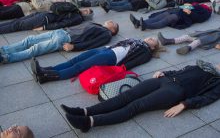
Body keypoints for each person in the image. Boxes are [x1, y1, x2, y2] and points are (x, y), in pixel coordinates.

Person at [61, 60, 220, 132]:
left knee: (136, 106)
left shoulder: (217, 82)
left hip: (176, 92)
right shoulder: (203, 64)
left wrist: (184, 104)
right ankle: (84, 111)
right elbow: (181, 71)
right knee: (127, 96)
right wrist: (165, 72)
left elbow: (207, 98)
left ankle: (89, 122)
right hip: (164, 80)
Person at [31, 37, 159, 83]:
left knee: (80, 66)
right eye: (150, 37)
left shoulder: (146, 52)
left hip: (111, 57)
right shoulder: (137, 40)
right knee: (74, 60)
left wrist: (120, 68)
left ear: (153, 47)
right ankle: (45, 70)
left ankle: (47, 76)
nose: (150, 38)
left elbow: (134, 62)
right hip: (105, 49)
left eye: (153, 40)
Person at [0, 21, 119, 64]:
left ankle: (6, 58)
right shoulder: (98, 25)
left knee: (35, 48)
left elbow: (92, 44)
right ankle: (3, 50)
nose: (110, 21)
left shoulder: (106, 34)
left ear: (113, 29)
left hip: (66, 39)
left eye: (112, 22)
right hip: (61, 31)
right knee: (29, 40)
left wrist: (74, 46)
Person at [0, 8, 93, 34]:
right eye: (86, 9)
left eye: (86, 12)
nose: (85, 11)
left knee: (17, 25)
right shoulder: (75, 10)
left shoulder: (77, 18)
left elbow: (62, 24)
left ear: (86, 16)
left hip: (45, 19)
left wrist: (45, 27)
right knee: (16, 21)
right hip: (43, 14)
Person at [130, 3, 212, 30]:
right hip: (178, 11)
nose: (209, 3)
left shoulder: (207, 12)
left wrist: (190, 13)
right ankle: (139, 23)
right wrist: (185, 5)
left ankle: (146, 25)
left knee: (166, 20)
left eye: (210, 4)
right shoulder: (199, 5)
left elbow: (200, 19)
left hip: (184, 17)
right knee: (160, 16)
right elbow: (185, 7)